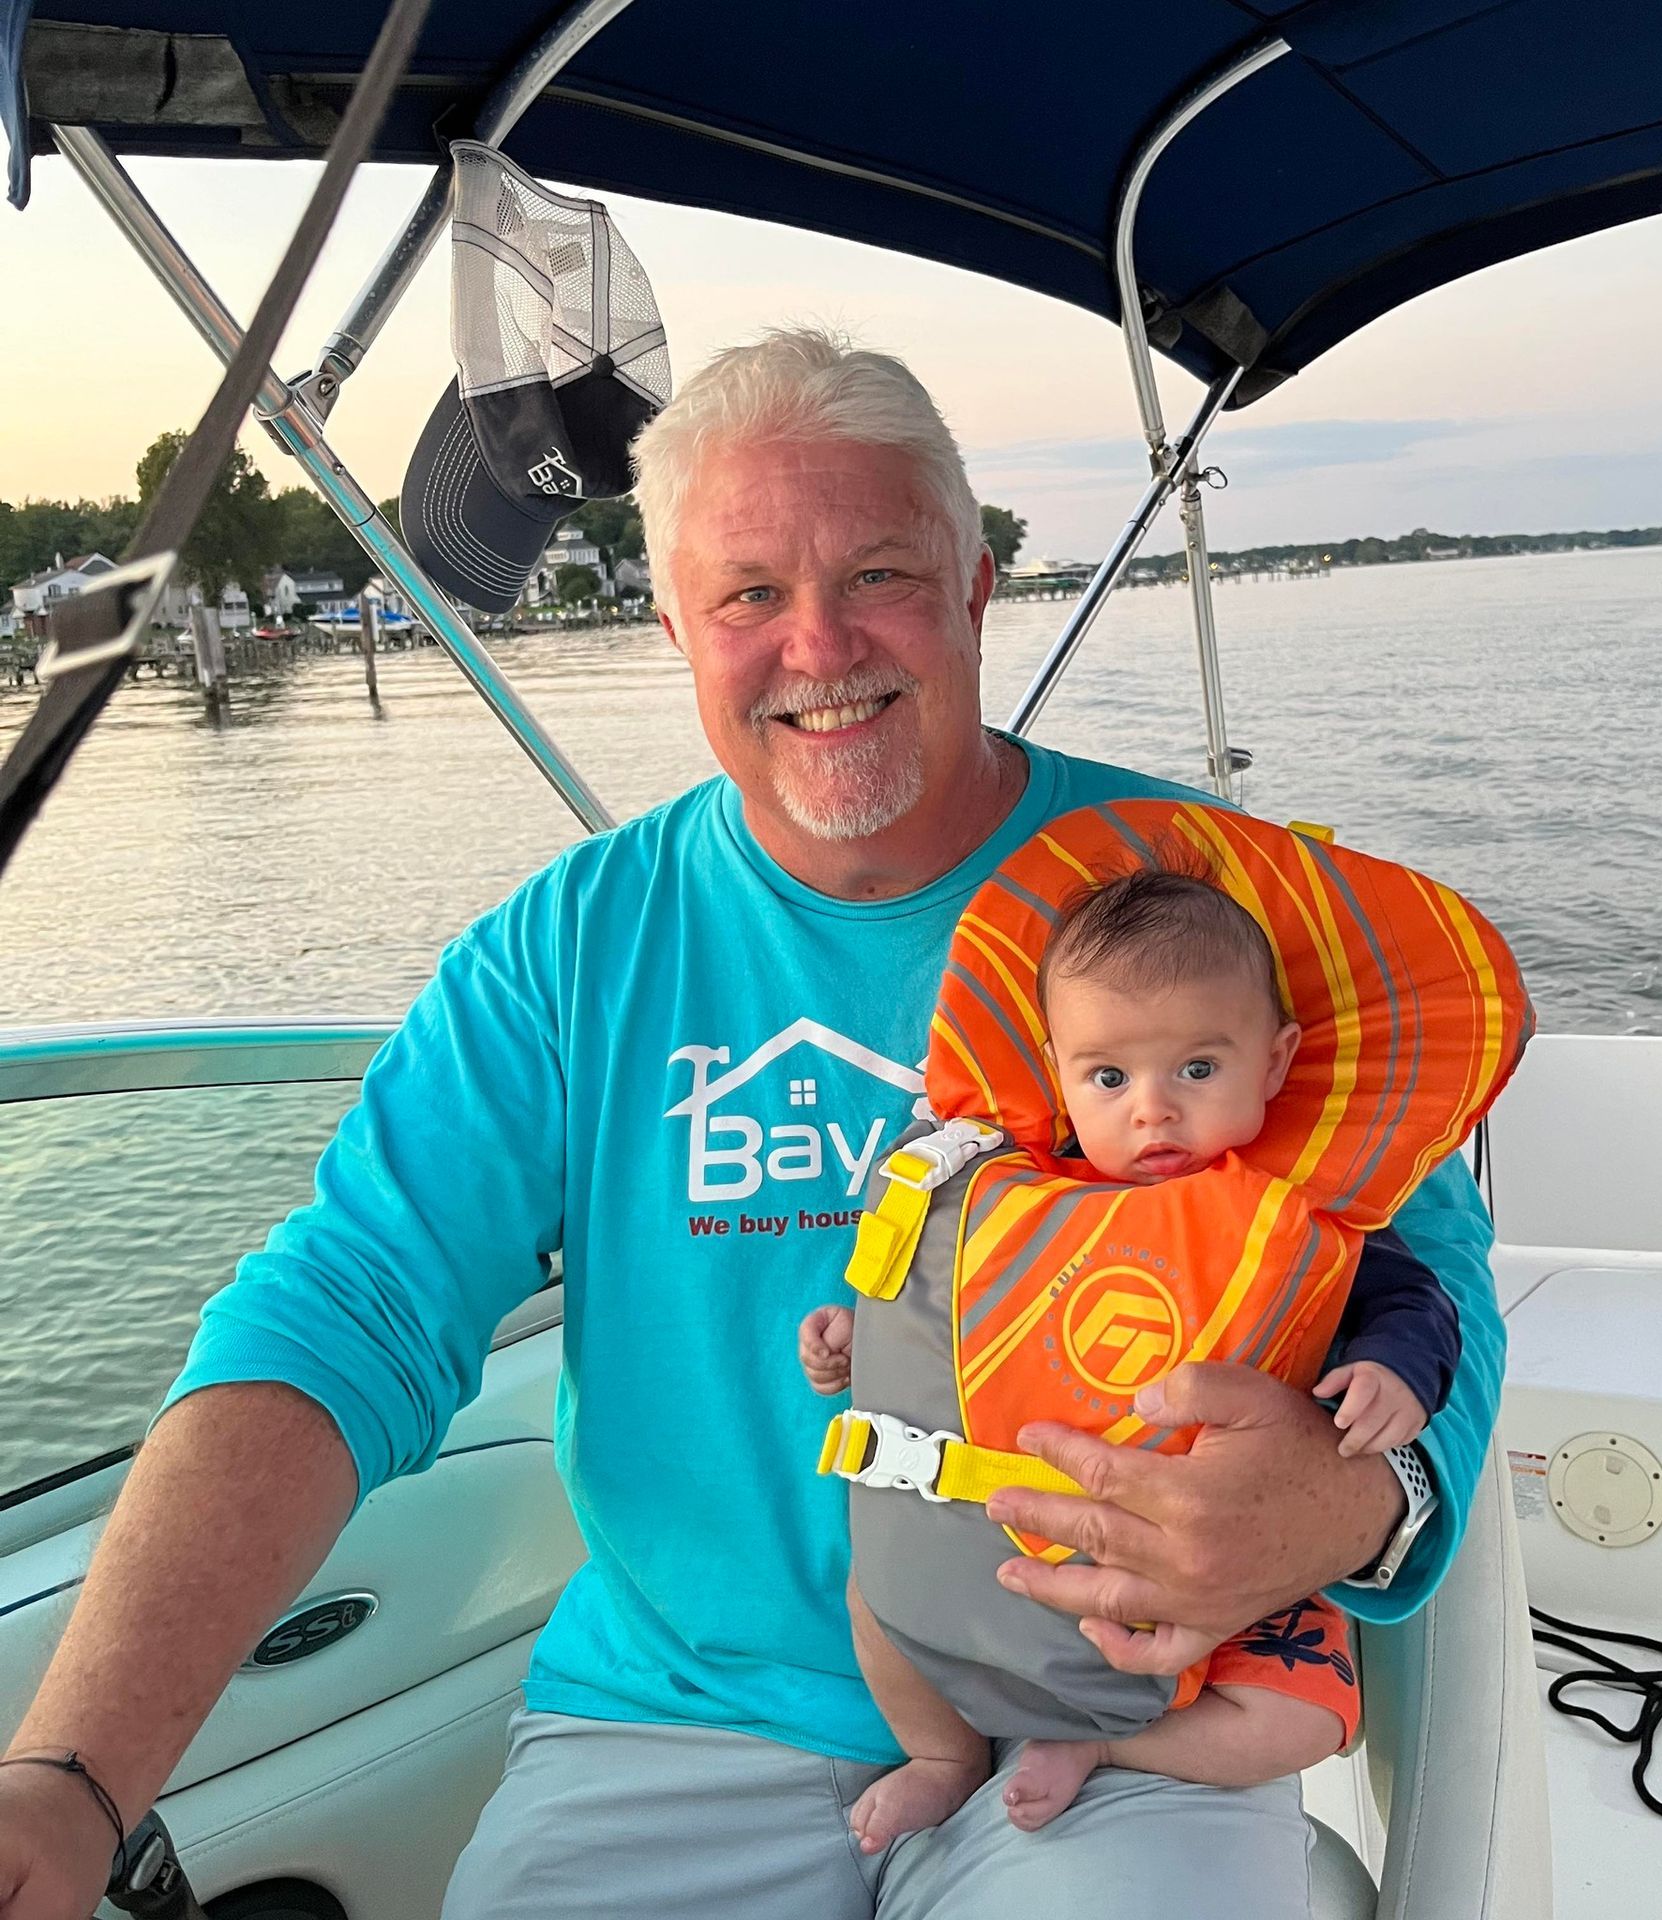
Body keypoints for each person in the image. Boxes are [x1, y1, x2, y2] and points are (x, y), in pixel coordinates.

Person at [0, 329, 1504, 1920]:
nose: (821, 644)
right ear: (672, 626)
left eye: (880, 575)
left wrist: (1350, 1501)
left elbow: (1432, 1260)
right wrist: (75, 1774)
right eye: (749, 596)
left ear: (978, 590)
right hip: (674, 1721)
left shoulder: (1204, 895)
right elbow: (344, 1315)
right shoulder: (570, 951)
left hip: (1130, 1710)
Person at [799, 863, 1462, 1848]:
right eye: (1109, 1078)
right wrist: (858, 1341)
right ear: (1058, 1070)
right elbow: (941, 1320)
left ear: (1275, 1063)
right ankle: (941, 1755)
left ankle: (1109, 1748)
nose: (1151, 1111)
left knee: (1307, 1719)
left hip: (1219, 1574)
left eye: (1197, 1069)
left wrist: (1398, 1368)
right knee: (874, 1592)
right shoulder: (1006, 1197)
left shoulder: (1294, 1214)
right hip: (994, 1548)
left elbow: (1412, 1300)